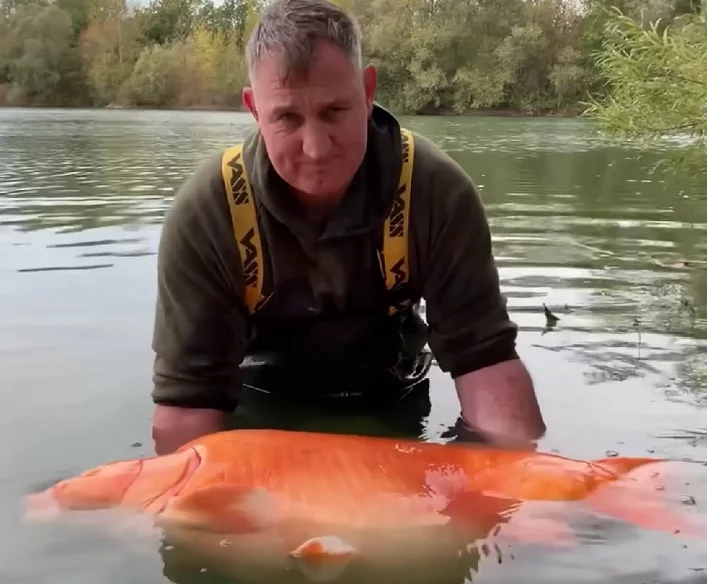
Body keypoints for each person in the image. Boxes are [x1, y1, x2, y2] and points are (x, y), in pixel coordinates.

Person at [150, 0, 546, 455]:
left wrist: (522, 493)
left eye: (334, 111)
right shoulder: (208, 212)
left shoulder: (436, 191)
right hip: (258, 415)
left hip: (394, 407)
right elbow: (187, 406)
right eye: (287, 118)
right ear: (254, 109)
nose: (315, 149)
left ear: (368, 89)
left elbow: (486, 362)